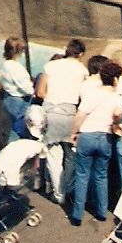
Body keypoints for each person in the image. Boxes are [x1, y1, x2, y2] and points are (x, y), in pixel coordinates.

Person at [68, 60, 122, 226]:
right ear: (115, 80)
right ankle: (101, 212)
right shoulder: (117, 97)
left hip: (87, 135)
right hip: (105, 137)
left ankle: (77, 214)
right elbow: (118, 116)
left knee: (82, 175)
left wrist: (74, 132)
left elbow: (80, 115)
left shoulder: (93, 93)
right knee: (101, 175)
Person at [36, 39, 88, 205]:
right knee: (71, 155)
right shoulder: (82, 70)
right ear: (80, 54)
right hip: (70, 112)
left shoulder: (50, 66)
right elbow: (84, 97)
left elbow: (40, 92)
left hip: (50, 111)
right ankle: (69, 188)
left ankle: (59, 194)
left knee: (53, 155)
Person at [0, 37, 34, 143]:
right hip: (18, 100)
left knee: (9, 127)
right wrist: (33, 91)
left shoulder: (5, 64)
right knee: (16, 128)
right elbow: (24, 86)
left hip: (9, 97)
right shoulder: (15, 67)